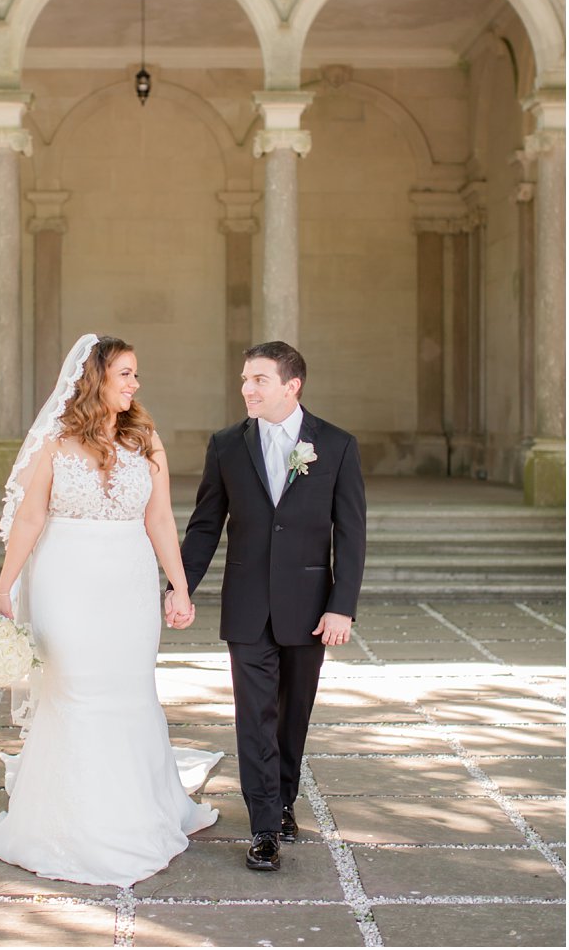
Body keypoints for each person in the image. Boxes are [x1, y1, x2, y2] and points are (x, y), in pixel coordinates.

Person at [0, 333, 222, 888]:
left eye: (136, 374)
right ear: (97, 380)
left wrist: (179, 588)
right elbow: (30, 521)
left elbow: (160, 520)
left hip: (129, 583)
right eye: (126, 374)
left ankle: (136, 811)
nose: (136, 383)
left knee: (128, 690)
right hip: (67, 579)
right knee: (77, 690)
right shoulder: (55, 445)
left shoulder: (147, 440)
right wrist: (3, 591)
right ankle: (74, 822)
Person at [176, 341, 365, 872]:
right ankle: (264, 826)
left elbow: (351, 534)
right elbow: (206, 524)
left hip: (310, 606)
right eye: (243, 380)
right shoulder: (226, 446)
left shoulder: (337, 445)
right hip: (247, 604)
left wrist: (341, 606)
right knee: (253, 717)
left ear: (291, 385)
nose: (247, 389)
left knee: (292, 716)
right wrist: (180, 585)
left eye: (258, 379)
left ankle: (283, 801)